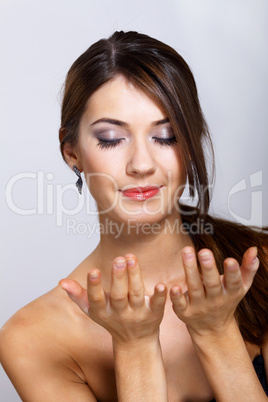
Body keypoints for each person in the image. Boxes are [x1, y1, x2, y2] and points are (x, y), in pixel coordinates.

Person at [0, 30, 267, 401]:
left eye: (167, 136)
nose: (142, 164)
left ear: (191, 143)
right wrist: (135, 347)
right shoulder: (32, 337)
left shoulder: (261, 267)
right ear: (71, 151)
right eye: (111, 138)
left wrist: (218, 335)